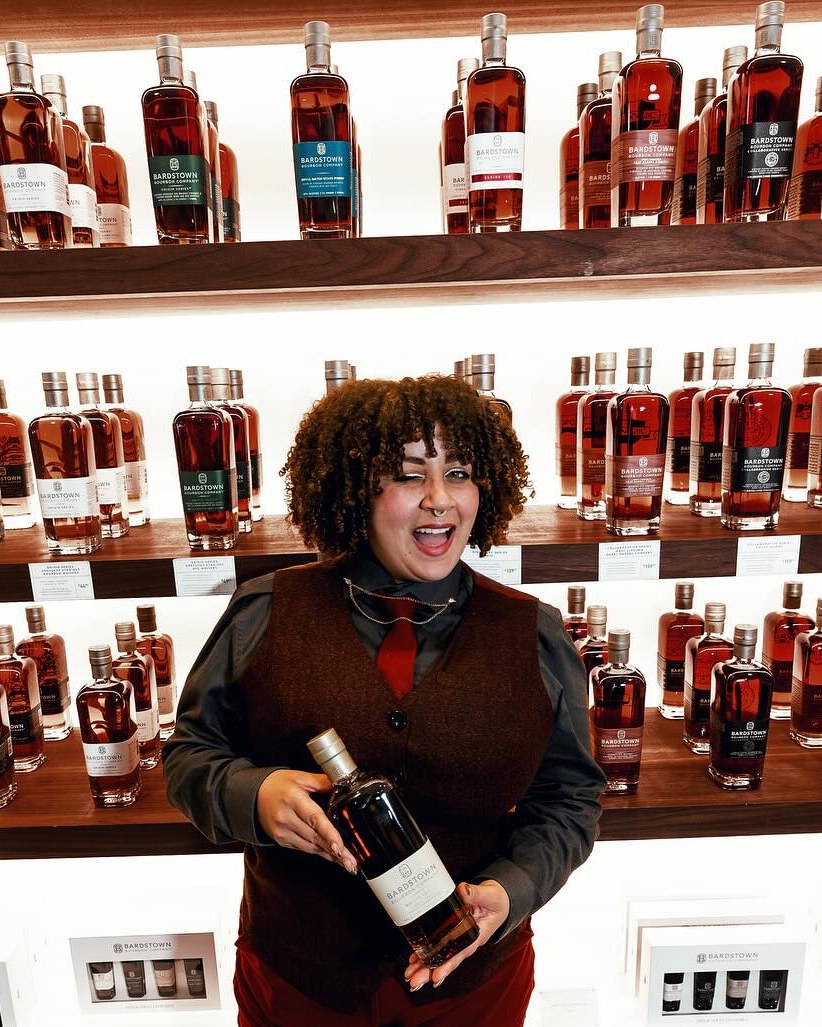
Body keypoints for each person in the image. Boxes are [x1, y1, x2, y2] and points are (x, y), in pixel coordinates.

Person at [163, 373, 606, 1027]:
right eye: (406, 476)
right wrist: (250, 795)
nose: (439, 501)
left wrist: (508, 891)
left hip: (473, 992)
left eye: (459, 473)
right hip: (297, 983)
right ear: (357, 489)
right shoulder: (266, 608)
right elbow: (188, 757)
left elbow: (570, 800)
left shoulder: (533, 633)